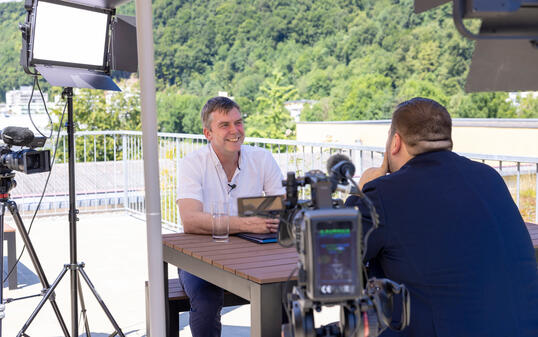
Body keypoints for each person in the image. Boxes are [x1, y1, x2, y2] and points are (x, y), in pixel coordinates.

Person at [345, 97, 538, 337]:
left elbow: (336, 256)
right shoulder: (490, 178)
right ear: (446, 139)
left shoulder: (384, 193)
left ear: (395, 143)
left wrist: (361, 193)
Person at [176, 96, 285, 337]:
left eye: (238, 123)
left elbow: (282, 209)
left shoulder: (262, 158)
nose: (235, 131)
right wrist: (247, 222)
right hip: (200, 256)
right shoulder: (192, 163)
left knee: (284, 289)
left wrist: (224, 222)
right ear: (208, 133)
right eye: (224, 125)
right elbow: (191, 220)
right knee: (206, 299)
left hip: (253, 253)